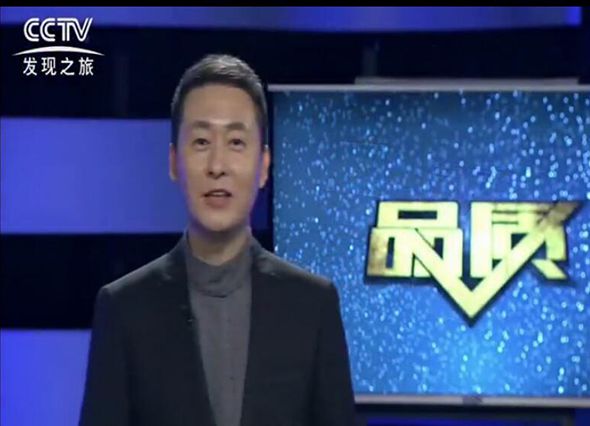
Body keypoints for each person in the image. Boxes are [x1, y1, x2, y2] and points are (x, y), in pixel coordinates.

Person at [79, 53, 357, 426]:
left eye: (236, 142)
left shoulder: (312, 305)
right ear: (174, 162)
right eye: (201, 142)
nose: (217, 166)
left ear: (264, 166)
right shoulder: (124, 309)